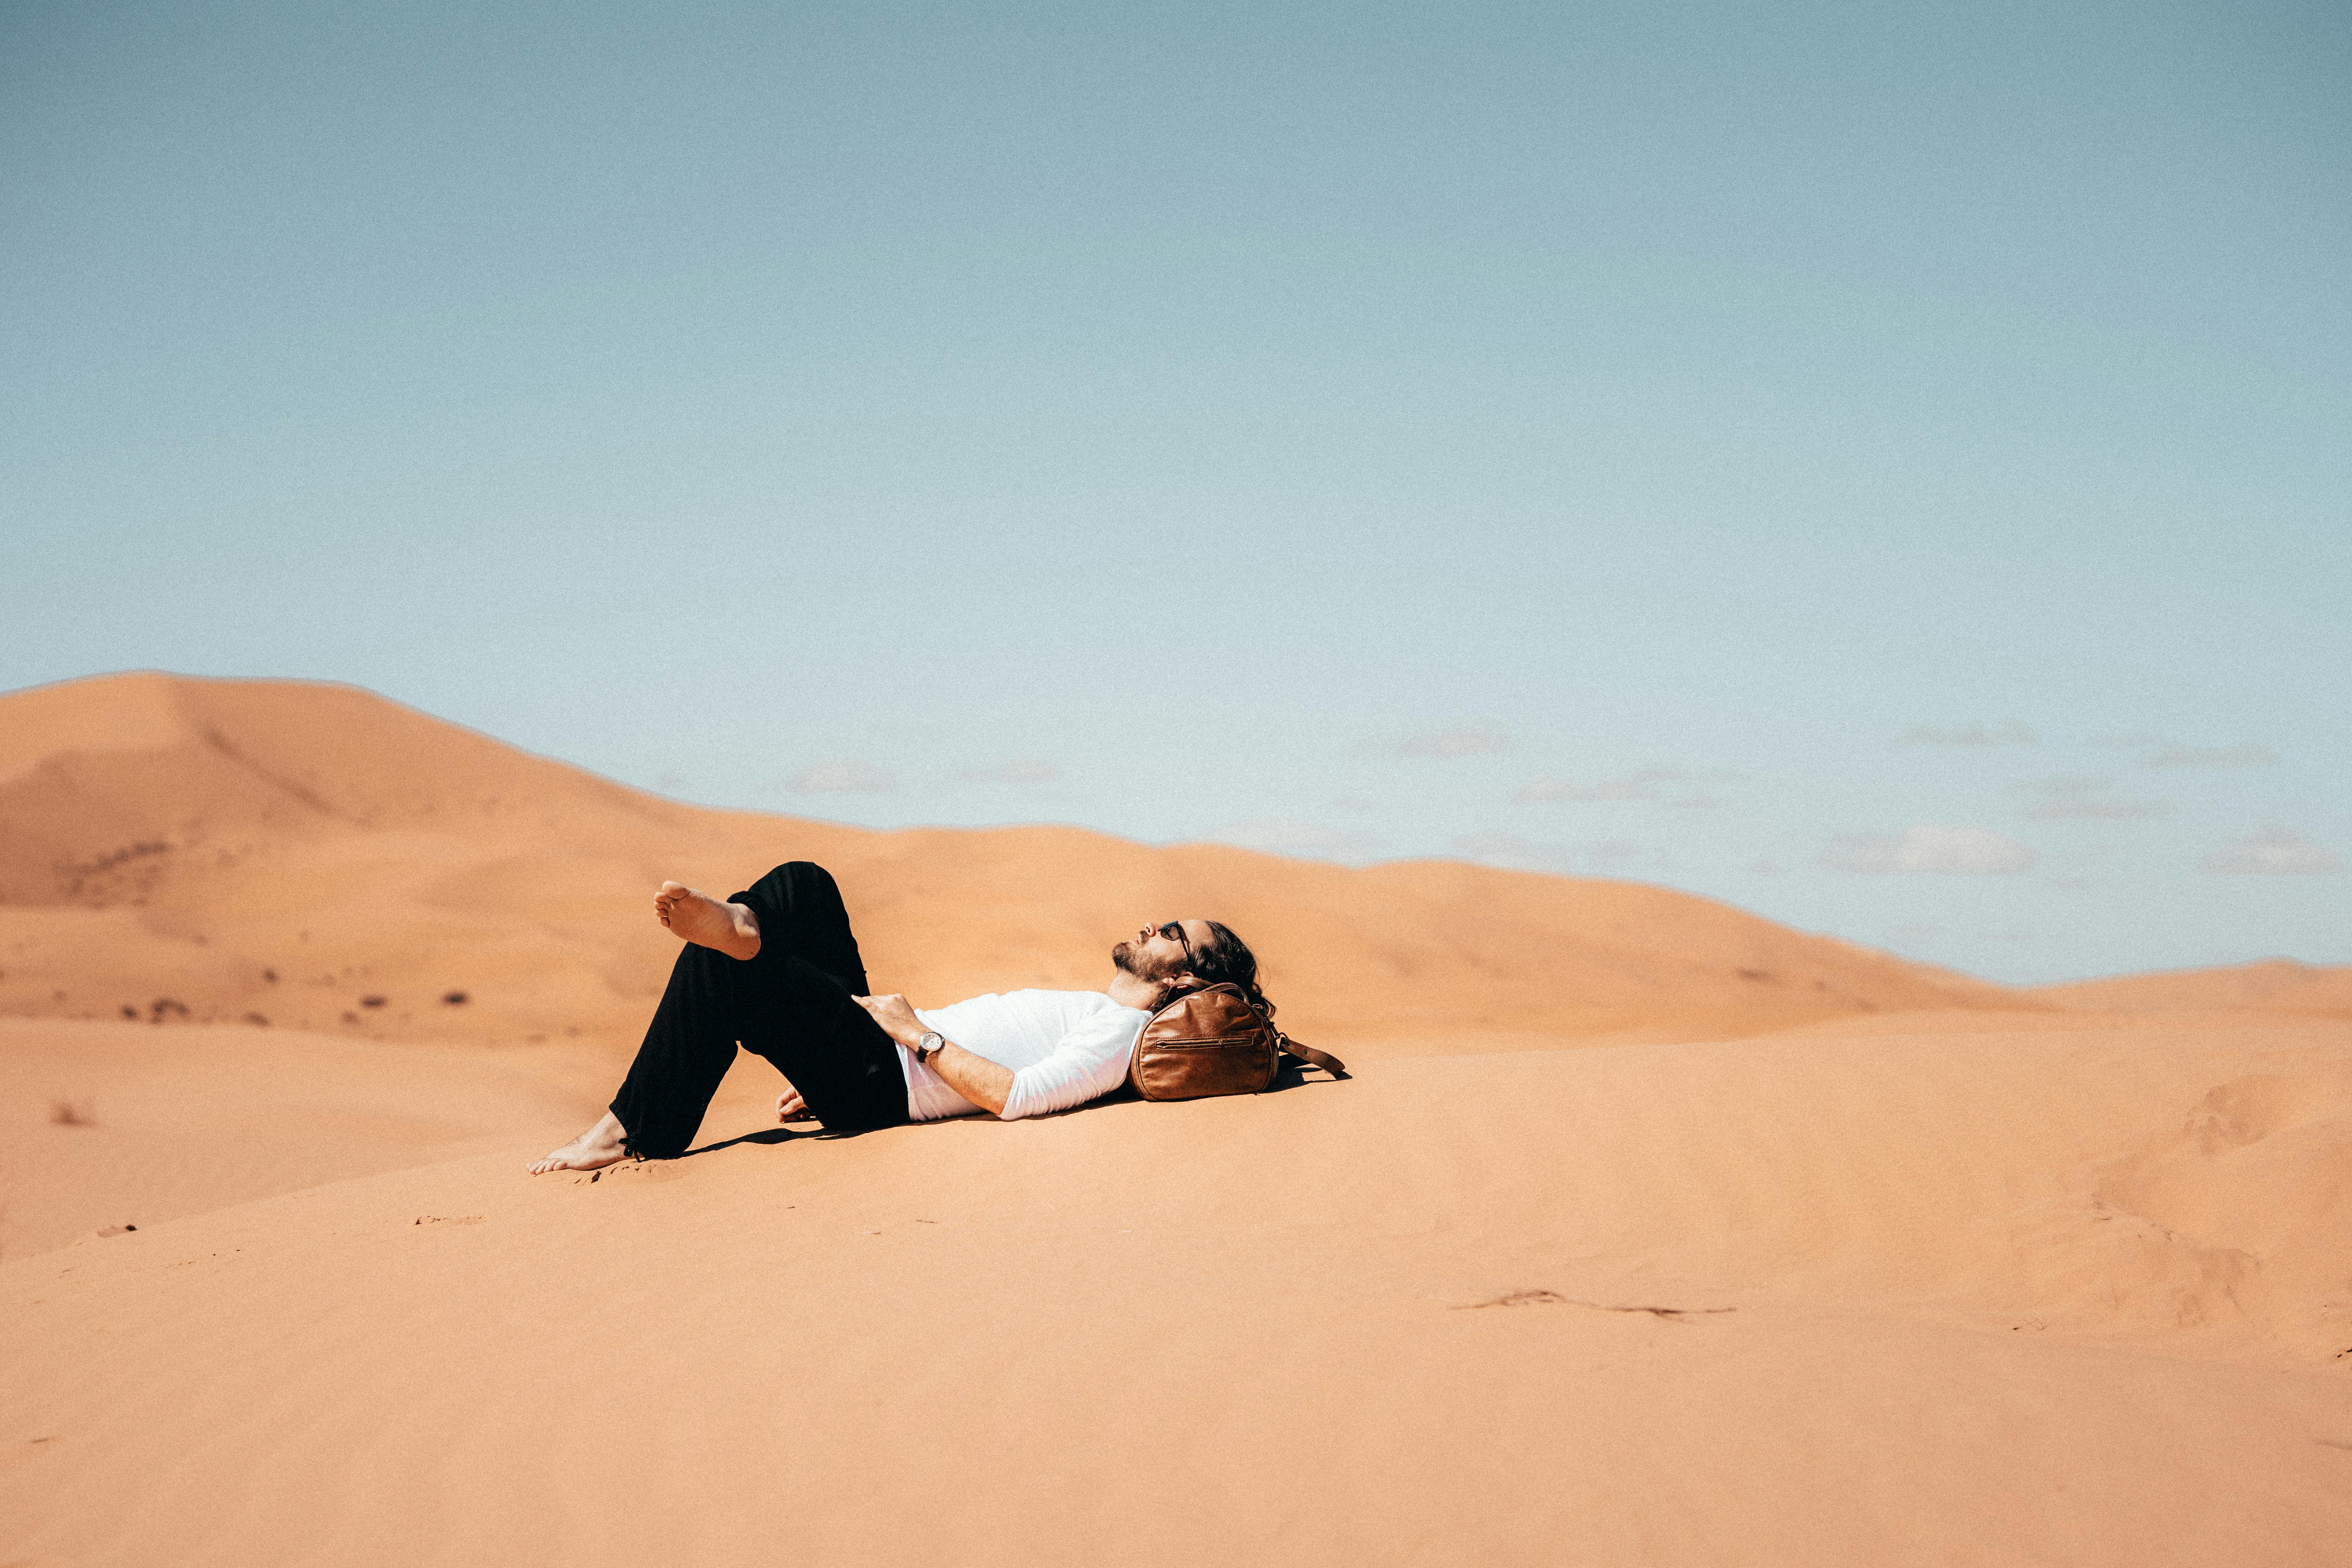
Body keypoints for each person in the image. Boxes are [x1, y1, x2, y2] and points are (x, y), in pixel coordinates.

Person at [528, 860, 1274, 1174]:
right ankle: (745, 927)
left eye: (1173, 936)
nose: (1152, 928)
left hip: (887, 1075)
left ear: (1182, 977)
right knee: (806, 886)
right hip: (876, 1052)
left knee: (716, 968)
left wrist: (917, 1034)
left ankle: (629, 1131)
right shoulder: (1097, 1009)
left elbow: (1020, 1098)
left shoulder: (1121, 1035)